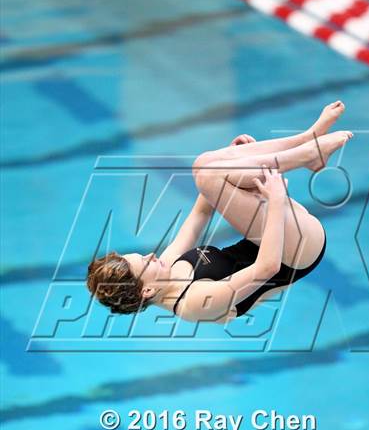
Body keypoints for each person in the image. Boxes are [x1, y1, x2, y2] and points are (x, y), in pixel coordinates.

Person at [87, 101, 352, 323]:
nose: (152, 255)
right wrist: (275, 201)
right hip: (295, 253)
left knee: (205, 166)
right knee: (209, 175)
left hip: (274, 232)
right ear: (147, 290)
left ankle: (307, 140)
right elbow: (267, 267)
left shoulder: (164, 271)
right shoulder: (195, 303)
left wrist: (231, 160)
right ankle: (306, 154)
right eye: (145, 262)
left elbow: (200, 216)